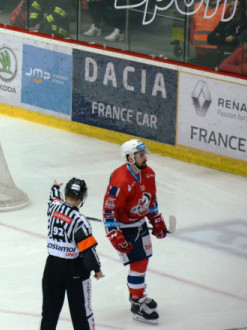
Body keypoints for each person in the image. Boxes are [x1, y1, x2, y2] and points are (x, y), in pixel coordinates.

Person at [103, 139, 169, 324]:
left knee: (143, 261)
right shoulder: (120, 180)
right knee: (138, 264)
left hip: (139, 223)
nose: (144, 157)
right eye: (140, 155)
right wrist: (114, 234)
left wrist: (155, 220)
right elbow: (109, 211)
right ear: (130, 158)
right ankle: (137, 303)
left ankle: (137, 296)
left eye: (143, 154)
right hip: (124, 228)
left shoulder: (149, 174)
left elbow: (151, 199)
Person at [42, 178, 103, 330]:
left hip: (52, 267)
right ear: (82, 199)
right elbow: (87, 249)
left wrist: (55, 186)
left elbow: (53, 197)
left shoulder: (54, 207)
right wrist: (96, 268)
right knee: (81, 313)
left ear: (66, 193)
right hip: (74, 270)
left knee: (49, 312)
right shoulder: (80, 220)